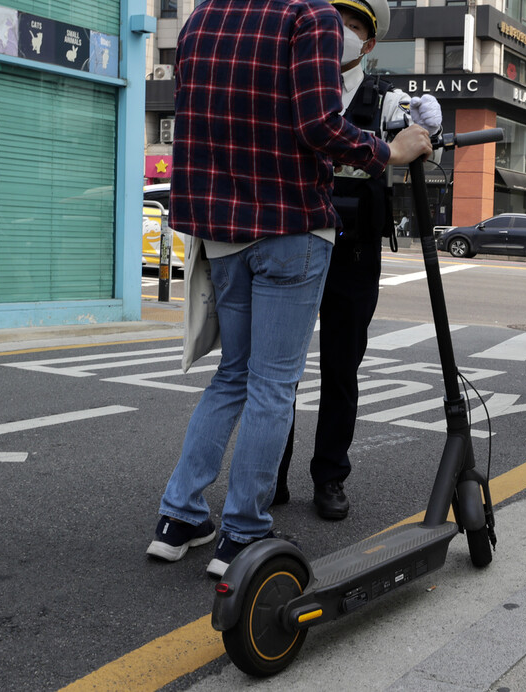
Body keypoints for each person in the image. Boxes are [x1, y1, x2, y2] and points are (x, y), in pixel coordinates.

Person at [145, 0, 432, 578]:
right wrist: (388, 152)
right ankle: (242, 532)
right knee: (274, 383)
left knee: (233, 374)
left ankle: (179, 517)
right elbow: (318, 126)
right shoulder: (308, 19)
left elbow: (194, 117)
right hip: (291, 224)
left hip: (221, 226)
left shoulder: (202, 17)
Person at [272, 0, 443, 520]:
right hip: (297, 239)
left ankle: (330, 477)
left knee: (341, 369)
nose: (339, 32)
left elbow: (421, 138)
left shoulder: (388, 101)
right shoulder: (295, 83)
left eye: (352, 27)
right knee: (280, 370)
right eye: (336, 21)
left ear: (368, 44)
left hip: (354, 250)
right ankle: (269, 474)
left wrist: (429, 120)